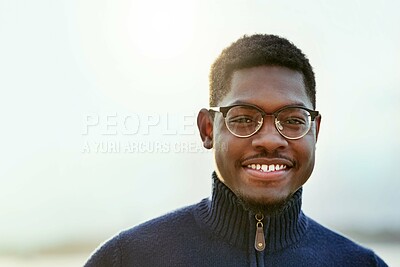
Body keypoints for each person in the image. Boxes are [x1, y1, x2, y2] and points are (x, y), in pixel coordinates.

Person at [84, 34, 387, 266]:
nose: (269, 140)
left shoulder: (359, 264)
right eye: (243, 118)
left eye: (293, 120)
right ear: (207, 129)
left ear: (315, 132)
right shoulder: (128, 259)